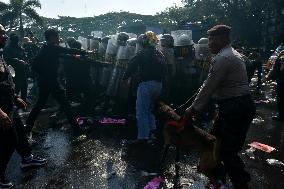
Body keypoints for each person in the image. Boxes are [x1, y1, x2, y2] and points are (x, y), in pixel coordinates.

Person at [186, 25, 256, 189]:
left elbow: (209, 87)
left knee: (227, 149)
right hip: (235, 106)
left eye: (213, 39)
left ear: (224, 38)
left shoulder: (224, 58)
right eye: (209, 38)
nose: (209, 43)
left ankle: (241, 182)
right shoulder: (231, 54)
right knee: (215, 139)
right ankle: (219, 174)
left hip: (235, 107)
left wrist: (192, 109)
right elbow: (208, 85)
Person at [0, 24, 46, 189]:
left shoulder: (0, 54)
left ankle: (27, 158)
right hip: (1, 107)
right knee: (10, 139)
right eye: (2, 33)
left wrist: (16, 97)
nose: (5, 36)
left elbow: (4, 80)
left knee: (19, 130)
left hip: (8, 102)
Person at [25, 29, 86, 136]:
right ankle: (77, 130)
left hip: (45, 81)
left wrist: (74, 57)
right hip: (50, 82)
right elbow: (66, 50)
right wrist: (85, 52)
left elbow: (61, 54)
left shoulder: (46, 48)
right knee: (64, 105)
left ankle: (27, 128)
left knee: (40, 105)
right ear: (52, 37)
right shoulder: (51, 47)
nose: (58, 38)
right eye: (57, 36)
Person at [123, 31, 166, 145]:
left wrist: (125, 78)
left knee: (141, 111)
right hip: (158, 85)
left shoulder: (142, 53)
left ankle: (142, 138)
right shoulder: (159, 53)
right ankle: (152, 133)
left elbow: (132, 65)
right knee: (150, 109)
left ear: (144, 42)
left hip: (146, 85)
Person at [3, 33, 28, 101]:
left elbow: (24, 56)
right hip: (12, 70)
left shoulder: (19, 48)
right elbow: (7, 59)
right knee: (15, 87)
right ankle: (14, 102)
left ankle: (24, 101)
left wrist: (24, 61)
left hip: (22, 69)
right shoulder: (7, 48)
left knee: (24, 86)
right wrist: (18, 61)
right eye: (15, 39)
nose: (16, 41)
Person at [266, 50, 284, 122]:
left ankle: (281, 116)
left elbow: (276, 70)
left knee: (281, 99)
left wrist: (268, 77)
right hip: (281, 81)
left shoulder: (281, 59)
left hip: (282, 82)